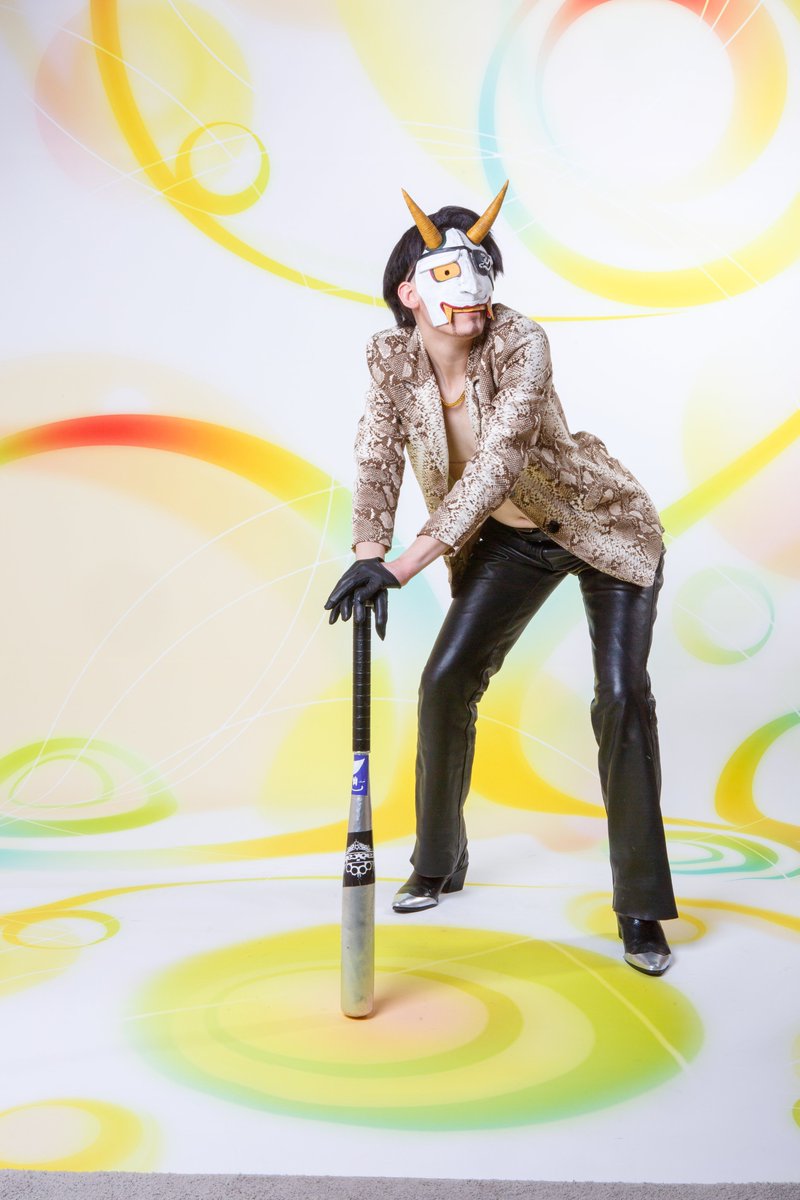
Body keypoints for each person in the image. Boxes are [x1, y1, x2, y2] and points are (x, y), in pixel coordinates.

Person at [324, 183, 678, 976]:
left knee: (621, 697)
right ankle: (438, 861)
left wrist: (404, 564)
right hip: (513, 545)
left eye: (482, 270)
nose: (473, 293)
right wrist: (368, 550)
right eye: (450, 276)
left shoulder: (521, 342)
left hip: (602, 529)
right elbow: (377, 453)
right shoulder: (391, 358)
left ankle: (641, 909)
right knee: (446, 682)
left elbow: (497, 464)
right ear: (410, 293)